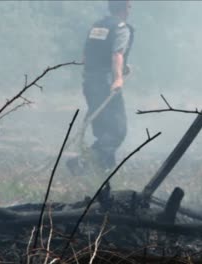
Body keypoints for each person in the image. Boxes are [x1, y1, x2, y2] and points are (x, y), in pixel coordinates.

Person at [68, 0, 134, 174]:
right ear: (124, 8)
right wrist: (118, 78)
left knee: (103, 128)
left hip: (90, 82)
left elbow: (87, 55)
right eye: (129, 6)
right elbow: (117, 53)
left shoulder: (97, 26)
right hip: (106, 85)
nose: (130, 10)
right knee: (117, 130)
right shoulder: (121, 28)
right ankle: (83, 163)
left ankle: (103, 171)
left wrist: (118, 68)